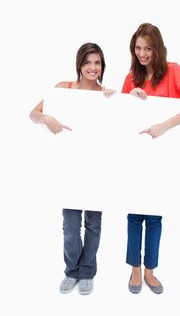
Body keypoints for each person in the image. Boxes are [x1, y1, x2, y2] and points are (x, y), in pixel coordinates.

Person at [122, 23, 180, 294]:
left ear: (157, 48)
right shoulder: (131, 76)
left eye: (148, 48)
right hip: (136, 158)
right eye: (138, 48)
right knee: (135, 215)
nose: (142, 53)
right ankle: (134, 269)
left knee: (155, 217)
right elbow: (120, 119)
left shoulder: (173, 70)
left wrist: (166, 124)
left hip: (164, 157)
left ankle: (150, 270)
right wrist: (130, 98)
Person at [30, 42, 115, 295]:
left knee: (93, 224)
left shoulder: (107, 94)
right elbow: (32, 113)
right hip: (69, 169)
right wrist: (47, 118)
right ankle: (71, 271)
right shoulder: (62, 89)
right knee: (70, 225)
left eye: (97, 62)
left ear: (102, 67)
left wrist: (117, 100)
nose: (93, 67)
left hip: (97, 169)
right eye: (88, 62)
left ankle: (87, 272)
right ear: (79, 64)